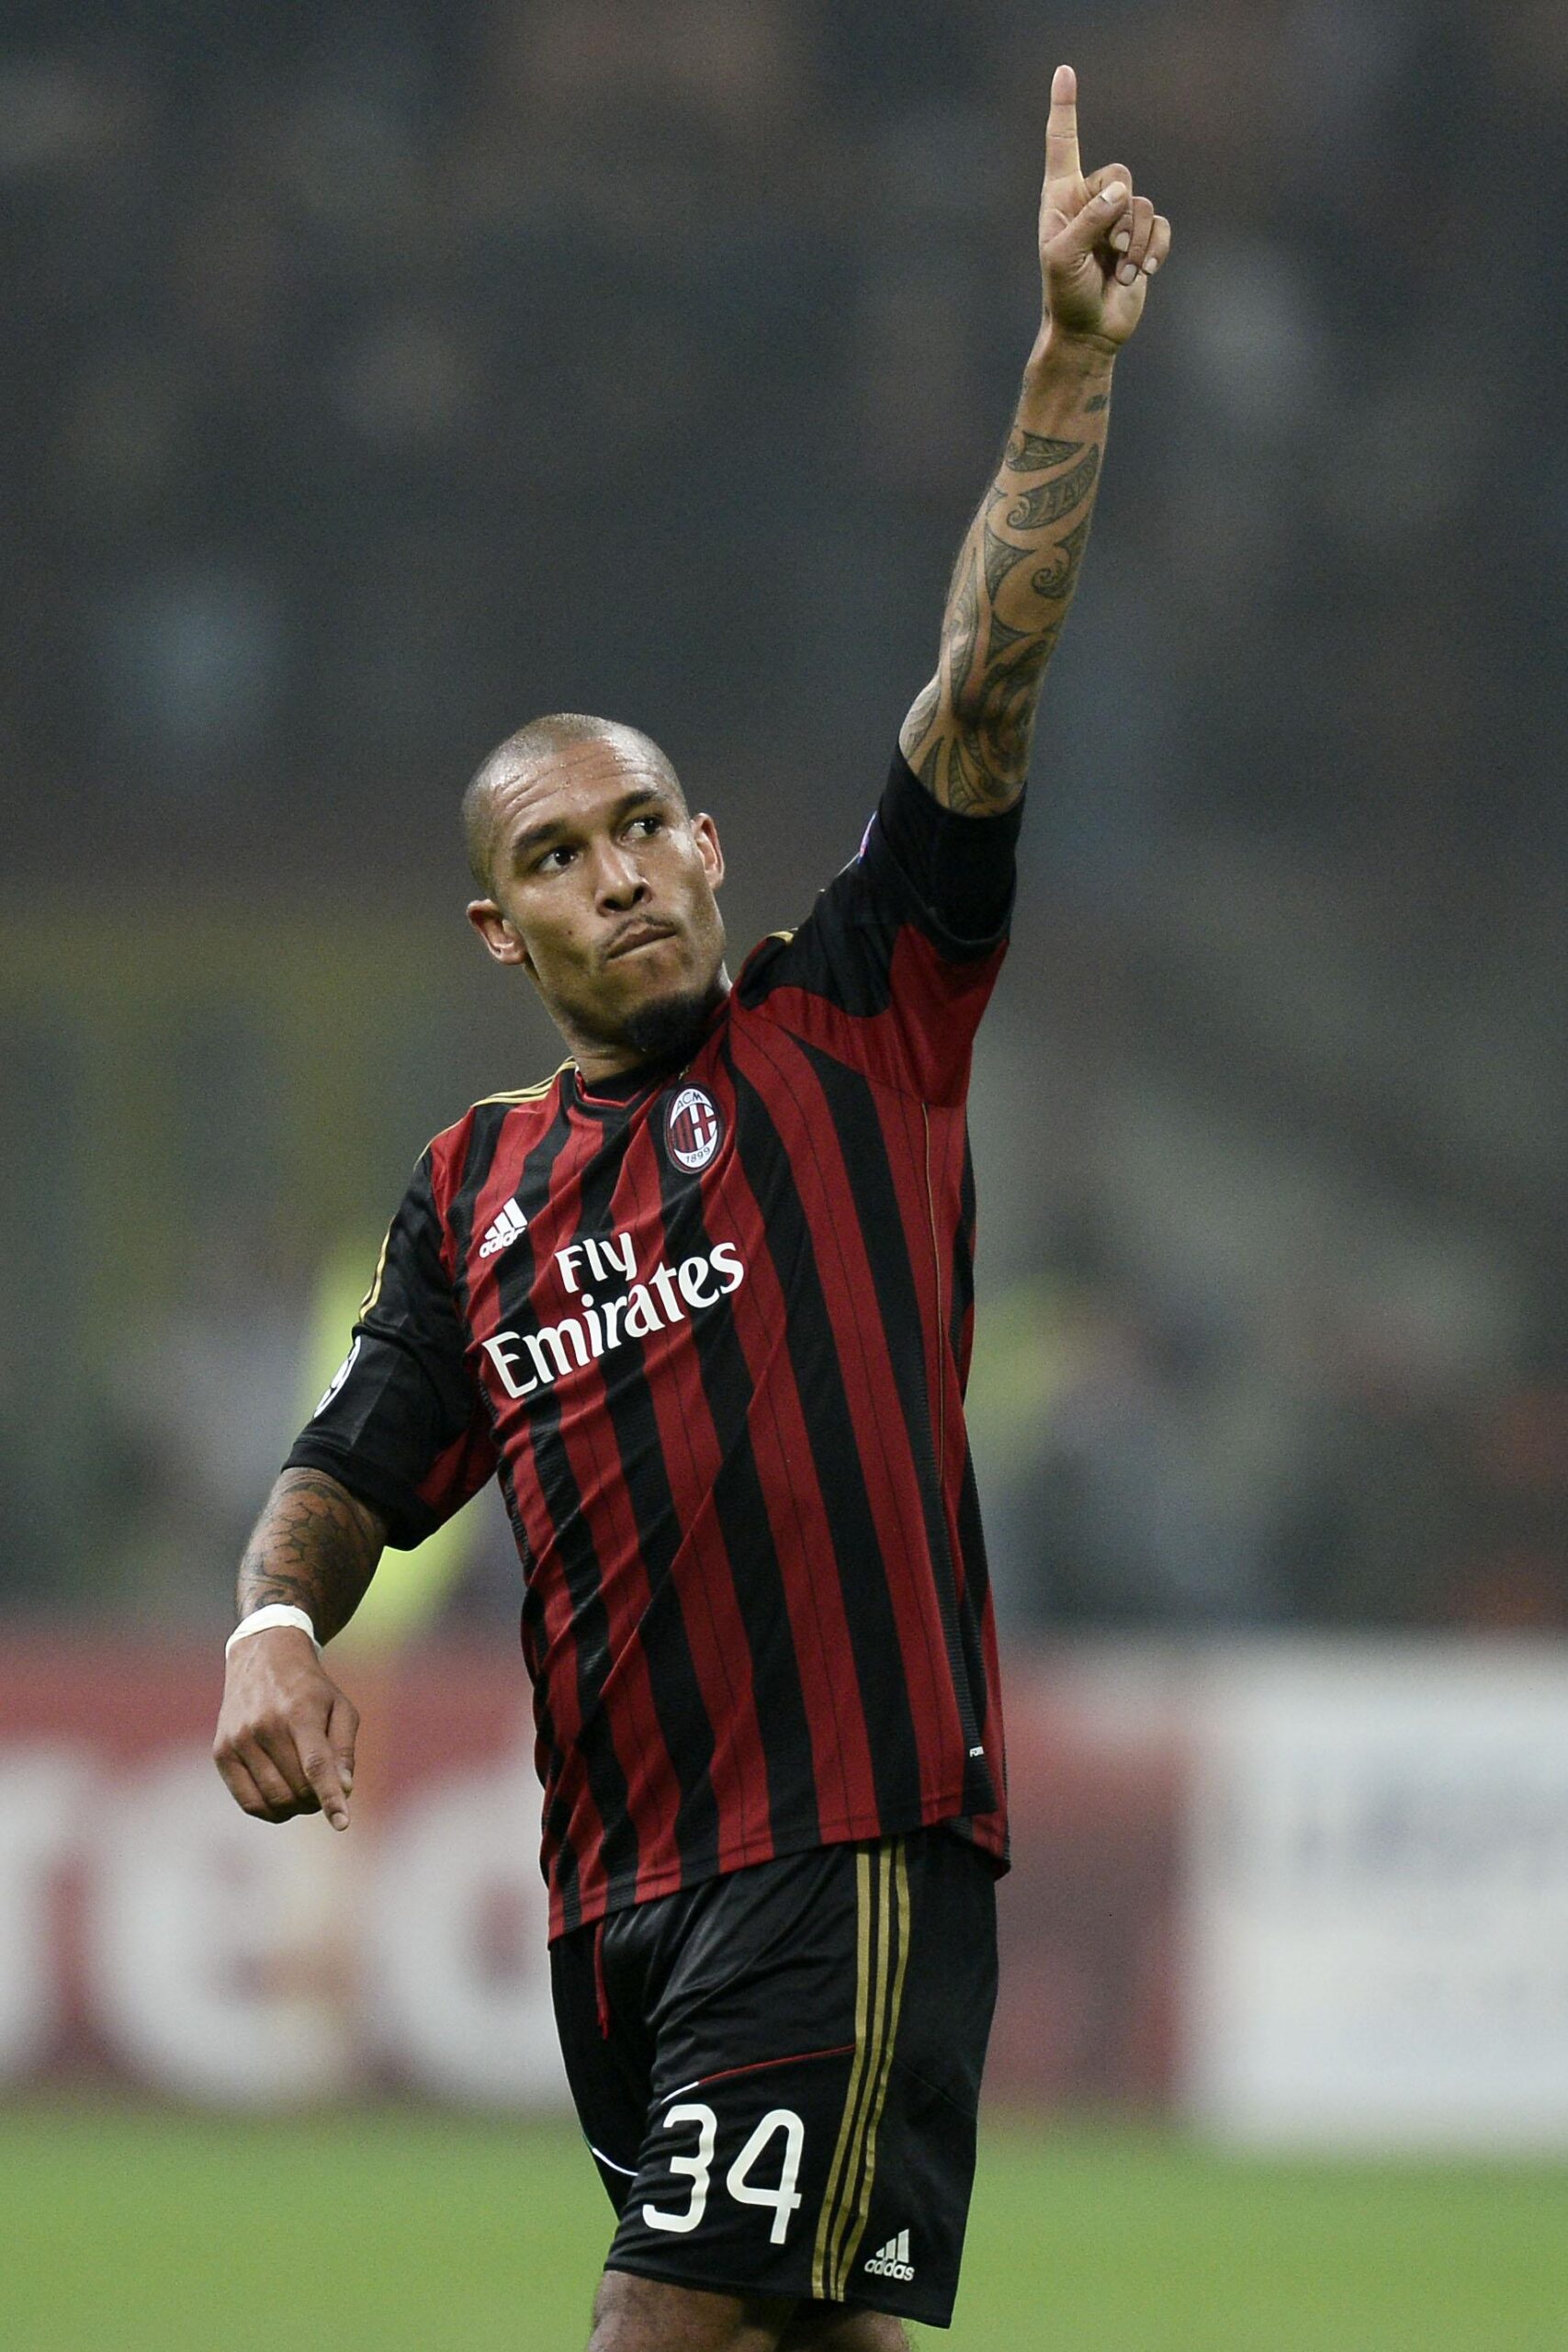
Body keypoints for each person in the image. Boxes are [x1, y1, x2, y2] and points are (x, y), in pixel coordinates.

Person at [213, 64, 1169, 2352]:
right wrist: (268, 1625)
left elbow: (981, 685)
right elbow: (353, 1465)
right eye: (556, 854)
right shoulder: (475, 1189)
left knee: (660, 2332)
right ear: (499, 929)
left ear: (710, 844)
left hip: (843, 1840)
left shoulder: (852, 1025)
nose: (618, 870)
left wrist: (1061, 361)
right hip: (615, 1891)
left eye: (643, 823)